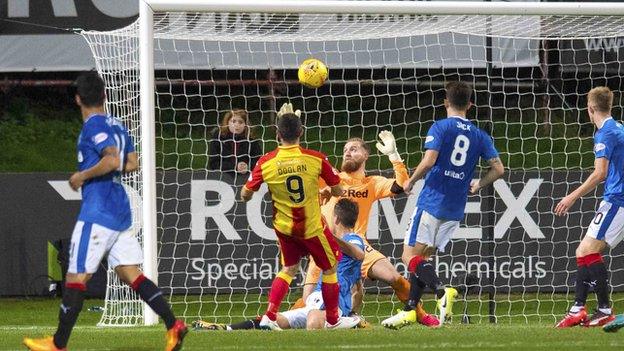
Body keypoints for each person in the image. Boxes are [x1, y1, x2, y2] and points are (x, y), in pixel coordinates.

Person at [23, 73, 187, 351]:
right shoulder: (118, 125)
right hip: (119, 208)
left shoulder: (93, 127)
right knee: (129, 273)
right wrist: (109, 166)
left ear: (78, 99)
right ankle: (173, 325)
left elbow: (111, 159)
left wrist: (82, 176)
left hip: (98, 211)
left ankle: (57, 344)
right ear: (105, 96)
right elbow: (132, 163)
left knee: (76, 276)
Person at [382, 81, 504, 329]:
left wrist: (410, 182)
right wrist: (479, 184)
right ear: (470, 105)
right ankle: (410, 310)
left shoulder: (441, 127)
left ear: (445, 102)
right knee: (423, 258)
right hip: (455, 206)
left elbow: (429, 160)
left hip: (432, 200)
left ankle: (441, 290)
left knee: (408, 256)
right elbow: (499, 169)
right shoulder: (480, 135)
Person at [240, 103, 360, 330]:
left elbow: (245, 195)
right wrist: (322, 190)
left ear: (277, 135)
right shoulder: (315, 158)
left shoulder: (266, 162)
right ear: (301, 132)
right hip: (312, 228)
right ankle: (333, 320)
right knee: (331, 267)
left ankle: (270, 317)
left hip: (285, 229)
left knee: (288, 269)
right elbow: (338, 191)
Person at [300, 132, 439, 327]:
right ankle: (273, 320)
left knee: (393, 277)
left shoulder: (371, 183)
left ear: (366, 155)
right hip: (324, 247)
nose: (347, 153)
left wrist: (394, 156)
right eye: (345, 150)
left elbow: (401, 185)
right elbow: (302, 170)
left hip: (355, 246)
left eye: (354, 149)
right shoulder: (331, 178)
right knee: (308, 303)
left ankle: (421, 315)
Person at [194, 198, 365, 331]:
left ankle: (352, 322)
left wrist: (328, 235)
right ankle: (227, 328)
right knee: (274, 320)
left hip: (330, 302)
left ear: (335, 218)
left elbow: (359, 253)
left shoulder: (353, 238)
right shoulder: (332, 248)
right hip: (317, 300)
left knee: (314, 321)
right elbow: (358, 289)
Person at [555, 86, 624, 328]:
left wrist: (571, 197)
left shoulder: (605, 133)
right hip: (616, 200)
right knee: (583, 251)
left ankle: (603, 309)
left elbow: (600, 173)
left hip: (618, 201)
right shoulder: (619, 128)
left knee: (587, 251)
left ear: (590, 109)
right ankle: (578, 308)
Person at [208, 109, 262, 176]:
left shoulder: (251, 140)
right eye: (233, 121)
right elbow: (213, 163)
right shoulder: (218, 138)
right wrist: (235, 167)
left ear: (245, 125)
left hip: (246, 178)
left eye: (240, 122)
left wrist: (248, 166)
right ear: (227, 122)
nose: (237, 125)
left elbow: (259, 161)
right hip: (222, 177)